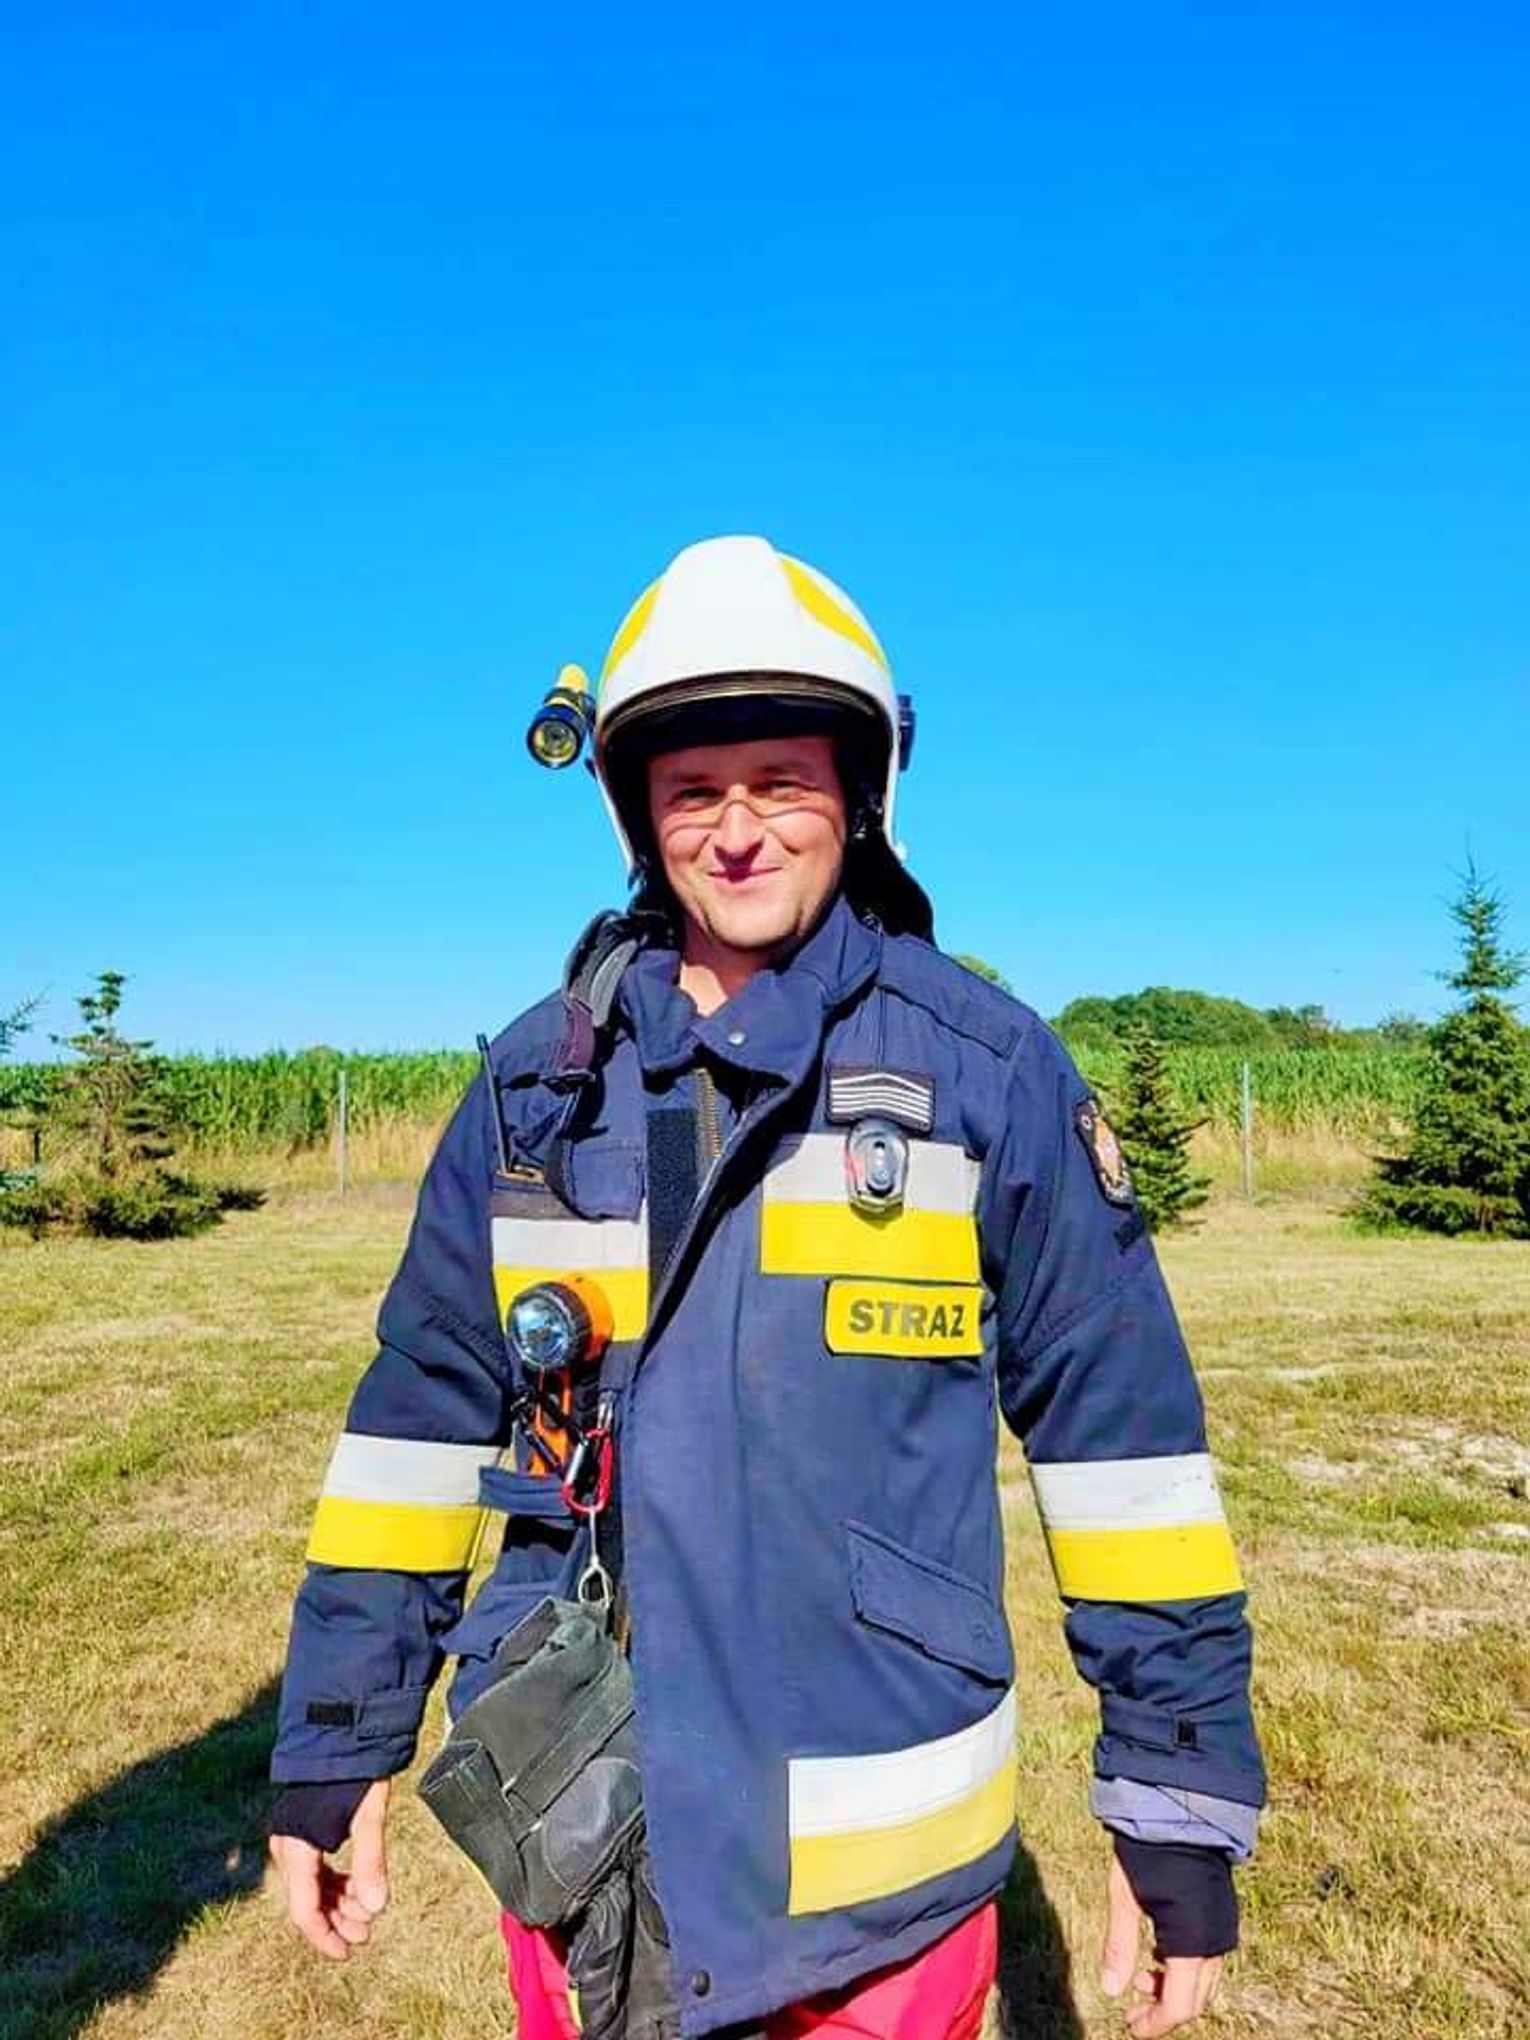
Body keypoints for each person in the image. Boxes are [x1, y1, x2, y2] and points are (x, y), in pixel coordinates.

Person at [269, 535, 1265, 2040]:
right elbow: (414, 1427)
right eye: (693, 790)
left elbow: (1123, 1453)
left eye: (781, 782)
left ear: (858, 793)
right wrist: (341, 1742)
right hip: (585, 1837)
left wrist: (1174, 1793)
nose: (737, 833)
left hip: (874, 1909)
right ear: (635, 813)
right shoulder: (536, 1092)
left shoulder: (983, 1074)